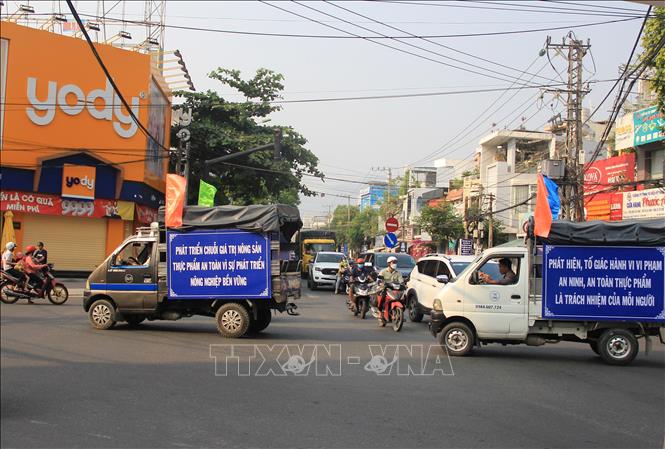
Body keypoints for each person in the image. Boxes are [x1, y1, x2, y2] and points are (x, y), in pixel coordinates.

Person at [376, 255, 404, 320]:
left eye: (396, 262)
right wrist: (381, 282)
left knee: (403, 298)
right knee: (383, 297)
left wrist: (403, 284)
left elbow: (401, 281)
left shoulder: (398, 272)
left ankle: (399, 312)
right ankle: (380, 311)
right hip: (386, 288)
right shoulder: (383, 271)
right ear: (389, 263)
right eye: (393, 262)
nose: (395, 264)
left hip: (395, 289)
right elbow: (379, 279)